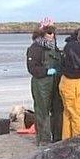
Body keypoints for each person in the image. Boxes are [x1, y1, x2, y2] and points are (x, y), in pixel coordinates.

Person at [26, 17, 63, 147]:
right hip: (41, 83)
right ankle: (44, 140)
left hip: (56, 82)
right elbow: (32, 68)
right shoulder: (35, 48)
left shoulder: (55, 47)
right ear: (41, 32)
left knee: (58, 110)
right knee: (42, 111)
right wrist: (46, 71)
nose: (51, 35)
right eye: (48, 32)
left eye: (52, 32)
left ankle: (58, 138)